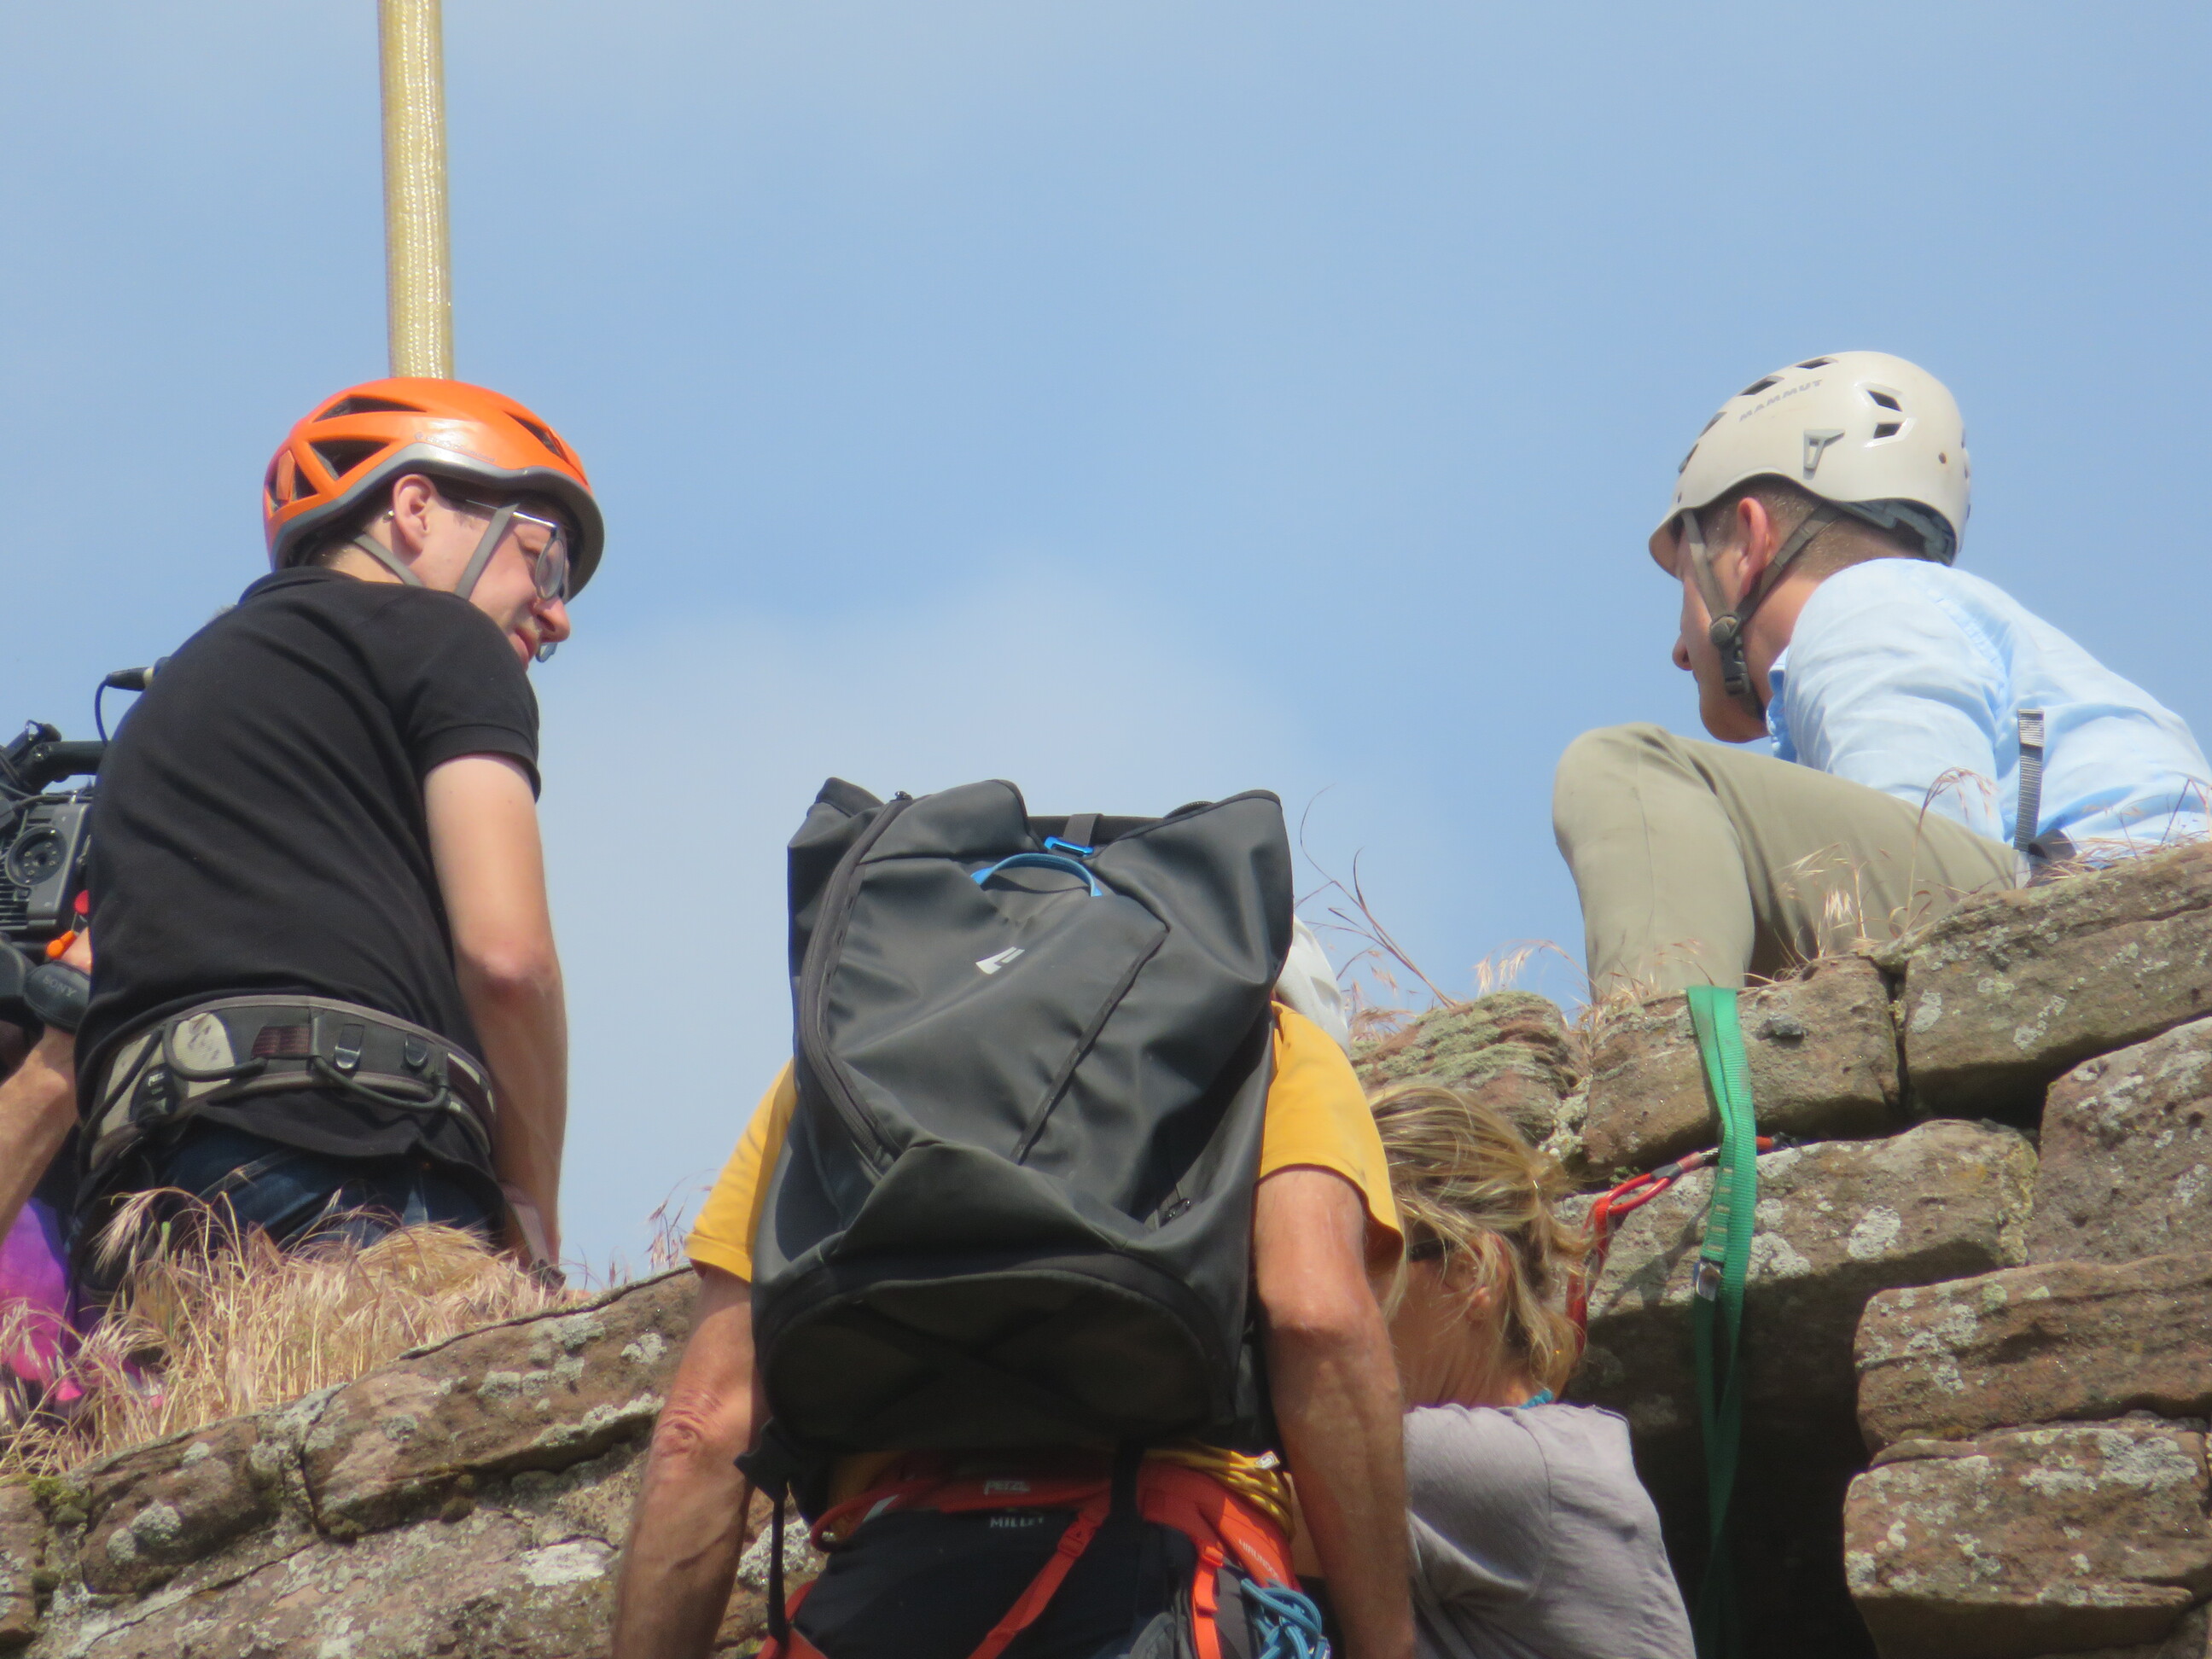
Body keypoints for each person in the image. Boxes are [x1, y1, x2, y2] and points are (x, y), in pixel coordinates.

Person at [610, 995, 1417, 1659]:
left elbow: (701, 1430)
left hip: (880, 1599)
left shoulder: (831, 1073)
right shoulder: (1276, 1042)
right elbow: (1316, 1320)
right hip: (1168, 1581)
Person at [69, 378, 602, 1272]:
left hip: (145, 1219)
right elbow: (509, 961)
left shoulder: (163, 707)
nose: (558, 617)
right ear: (415, 508)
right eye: (543, 558)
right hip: (359, 1168)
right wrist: (532, 1212)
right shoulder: (445, 639)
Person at [1553, 351, 2212, 996]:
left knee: (1623, 767)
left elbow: (1923, 911)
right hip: (2116, 917)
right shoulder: (1938, 613)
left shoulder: (1859, 603)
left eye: (1686, 581)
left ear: (1749, 542)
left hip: (2097, 920)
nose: (1679, 648)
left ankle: (1659, 1057)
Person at [1365, 1080, 1691, 1659]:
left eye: (1356, 1259)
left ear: (1471, 1273)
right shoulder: (1555, 1451)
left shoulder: (1490, 1470)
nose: (1322, 1296)